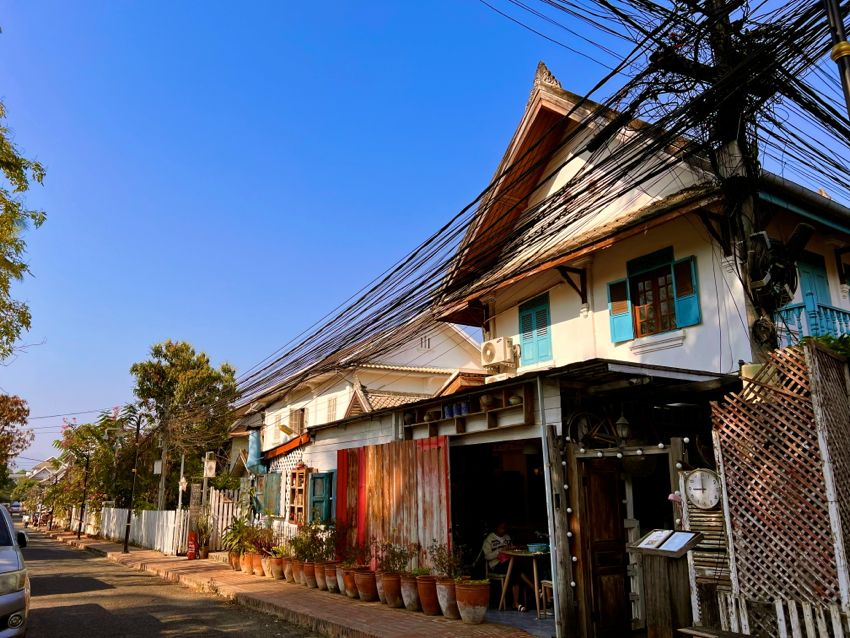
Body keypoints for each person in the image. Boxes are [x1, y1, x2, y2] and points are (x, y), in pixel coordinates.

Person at [482, 521, 534, 611]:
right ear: (496, 528)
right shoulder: (489, 539)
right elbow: (487, 556)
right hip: (497, 565)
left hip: (510, 562)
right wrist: (500, 551)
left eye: (505, 528)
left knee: (516, 570)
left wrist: (512, 548)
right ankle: (534, 588)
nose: (503, 530)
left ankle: (516, 603)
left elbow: (511, 548)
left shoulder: (507, 537)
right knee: (516, 568)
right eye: (501, 528)